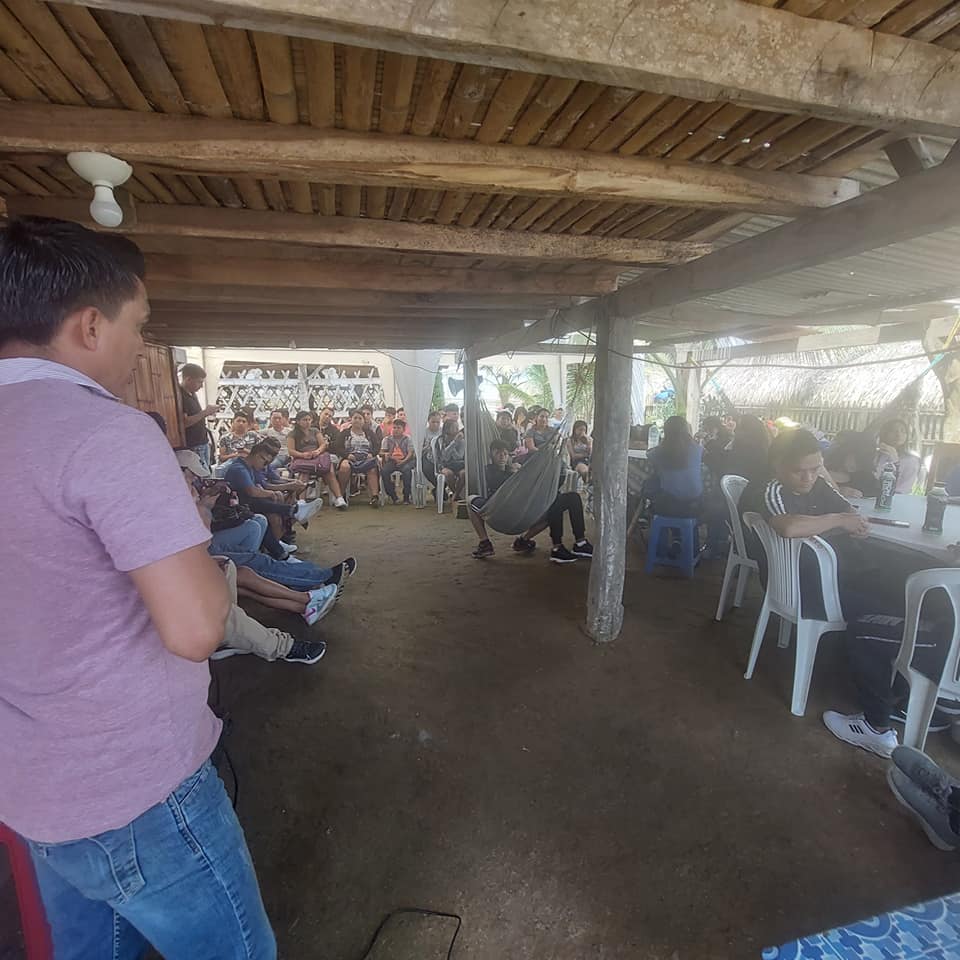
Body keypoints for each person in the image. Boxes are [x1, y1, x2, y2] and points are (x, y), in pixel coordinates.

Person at [0, 216, 275, 956]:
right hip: (133, 785)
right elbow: (198, 629)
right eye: (139, 325)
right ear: (90, 325)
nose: (141, 347)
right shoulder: (108, 433)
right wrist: (192, 535)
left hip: (28, 784)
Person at [470, 440, 593, 563]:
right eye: (498, 453)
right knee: (470, 499)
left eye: (505, 453)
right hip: (499, 512)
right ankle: (485, 542)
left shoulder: (514, 469)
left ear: (509, 456)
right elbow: (497, 480)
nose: (502, 456)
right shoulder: (489, 471)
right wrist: (516, 474)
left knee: (558, 502)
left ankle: (525, 541)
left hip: (522, 510)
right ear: (491, 455)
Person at [225, 441, 323, 543]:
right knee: (273, 514)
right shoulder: (240, 468)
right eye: (265, 461)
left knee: (279, 501)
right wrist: (273, 493)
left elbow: (271, 481)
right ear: (258, 456)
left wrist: (291, 483)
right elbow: (253, 491)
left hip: (245, 503)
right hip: (237, 507)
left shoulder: (248, 466)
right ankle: (294, 512)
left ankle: (292, 519)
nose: (266, 465)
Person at [287, 409, 347, 509]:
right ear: (298, 421)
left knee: (329, 472)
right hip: (302, 457)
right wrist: (303, 455)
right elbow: (291, 451)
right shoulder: (292, 434)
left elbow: (322, 444)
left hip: (317, 456)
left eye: (309, 420)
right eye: (304, 420)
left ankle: (339, 498)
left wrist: (317, 452)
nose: (307, 422)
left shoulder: (315, 431)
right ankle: (302, 500)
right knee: (304, 472)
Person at [645, 415, 704, 517]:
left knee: (650, 481)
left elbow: (649, 454)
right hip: (695, 504)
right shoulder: (697, 449)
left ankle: (643, 514)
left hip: (669, 504)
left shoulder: (660, 451)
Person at [179, 362, 219, 468]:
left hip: (203, 441)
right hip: (194, 444)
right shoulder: (181, 396)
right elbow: (184, 422)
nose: (201, 386)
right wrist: (205, 412)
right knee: (202, 474)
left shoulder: (192, 394)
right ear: (188, 379)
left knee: (207, 472)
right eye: (199, 382)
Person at [338, 408, 381, 507]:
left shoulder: (370, 433)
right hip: (350, 458)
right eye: (355, 418)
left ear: (363, 421)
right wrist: (347, 455)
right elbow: (338, 447)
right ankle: (341, 494)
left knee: (372, 468)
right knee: (344, 467)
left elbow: (377, 446)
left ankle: (374, 497)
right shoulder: (344, 433)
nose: (357, 420)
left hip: (366, 459)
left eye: (360, 418)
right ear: (351, 419)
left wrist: (372, 454)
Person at [713, 414, 770, 486]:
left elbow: (722, 467)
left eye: (739, 427)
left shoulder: (743, 448)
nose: (735, 430)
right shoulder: (763, 447)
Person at [824, 430, 880, 498]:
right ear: (846, 452)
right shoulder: (820, 471)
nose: (858, 465)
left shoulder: (867, 479)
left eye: (862, 463)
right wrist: (839, 491)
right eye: (857, 459)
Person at [875, 418, 921, 494]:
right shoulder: (875, 455)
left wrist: (895, 461)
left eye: (903, 431)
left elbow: (903, 489)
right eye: (893, 431)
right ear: (885, 433)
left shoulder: (911, 461)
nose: (899, 435)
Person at [380, 418, 416, 504]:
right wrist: (385, 454)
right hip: (392, 461)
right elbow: (381, 452)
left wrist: (403, 461)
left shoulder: (408, 439)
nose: (395, 430)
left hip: (406, 460)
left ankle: (406, 496)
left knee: (407, 470)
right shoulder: (387, 439)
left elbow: (410, 453)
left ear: (403, 429)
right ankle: (393, 495)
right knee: (384, 471)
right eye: (394, 427)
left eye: (398, 428)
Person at [438, 418, 466, 501]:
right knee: (448, 474)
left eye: (457, 427)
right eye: (454, 428)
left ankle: (455, 494)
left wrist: (454, 443)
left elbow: (459, 457)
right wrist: (453, 443)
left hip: (459, 465)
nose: (457, 430)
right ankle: (455, 493)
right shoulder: (441, 440)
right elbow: (445, 457)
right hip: (445, 465)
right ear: (447, 429)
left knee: (463, 474)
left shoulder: (462, 441)